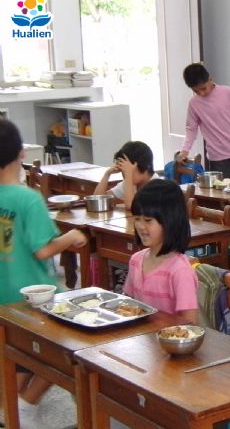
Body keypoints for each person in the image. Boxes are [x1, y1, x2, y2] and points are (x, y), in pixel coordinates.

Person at [0, 119, 88, 405]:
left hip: (3, 297)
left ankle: (17, 406)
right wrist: (71, 237)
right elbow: (43, 250)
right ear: (21, 153)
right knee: (67, 351)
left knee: (16, 357)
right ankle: (24, 406)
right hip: (32, 296)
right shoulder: (28, 199)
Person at [122, 179, 198, 323]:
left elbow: (190, 324)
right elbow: (129, 306)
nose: (140, 226)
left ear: (170, 221)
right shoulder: (136, 260)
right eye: (137, 219)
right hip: (140, 335)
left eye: (148, 220)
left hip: (168, 337)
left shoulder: (180, 271)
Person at [178, 63, 230, 178]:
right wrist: (185, 150)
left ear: (210, 79)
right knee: (220, 188)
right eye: (196, 91)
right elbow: (191, 129)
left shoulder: (227, 92)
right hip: (217, 157)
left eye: (203, 88)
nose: (201, 93)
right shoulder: (194, 104)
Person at [94, 141, 157, 210]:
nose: (125, 173)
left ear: (146, 166)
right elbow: (98, 200)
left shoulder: (157, 186)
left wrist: (129, 176)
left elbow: (132, 206)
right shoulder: (130, 183)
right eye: (124, 170)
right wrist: (107, 174)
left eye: (129, 169)